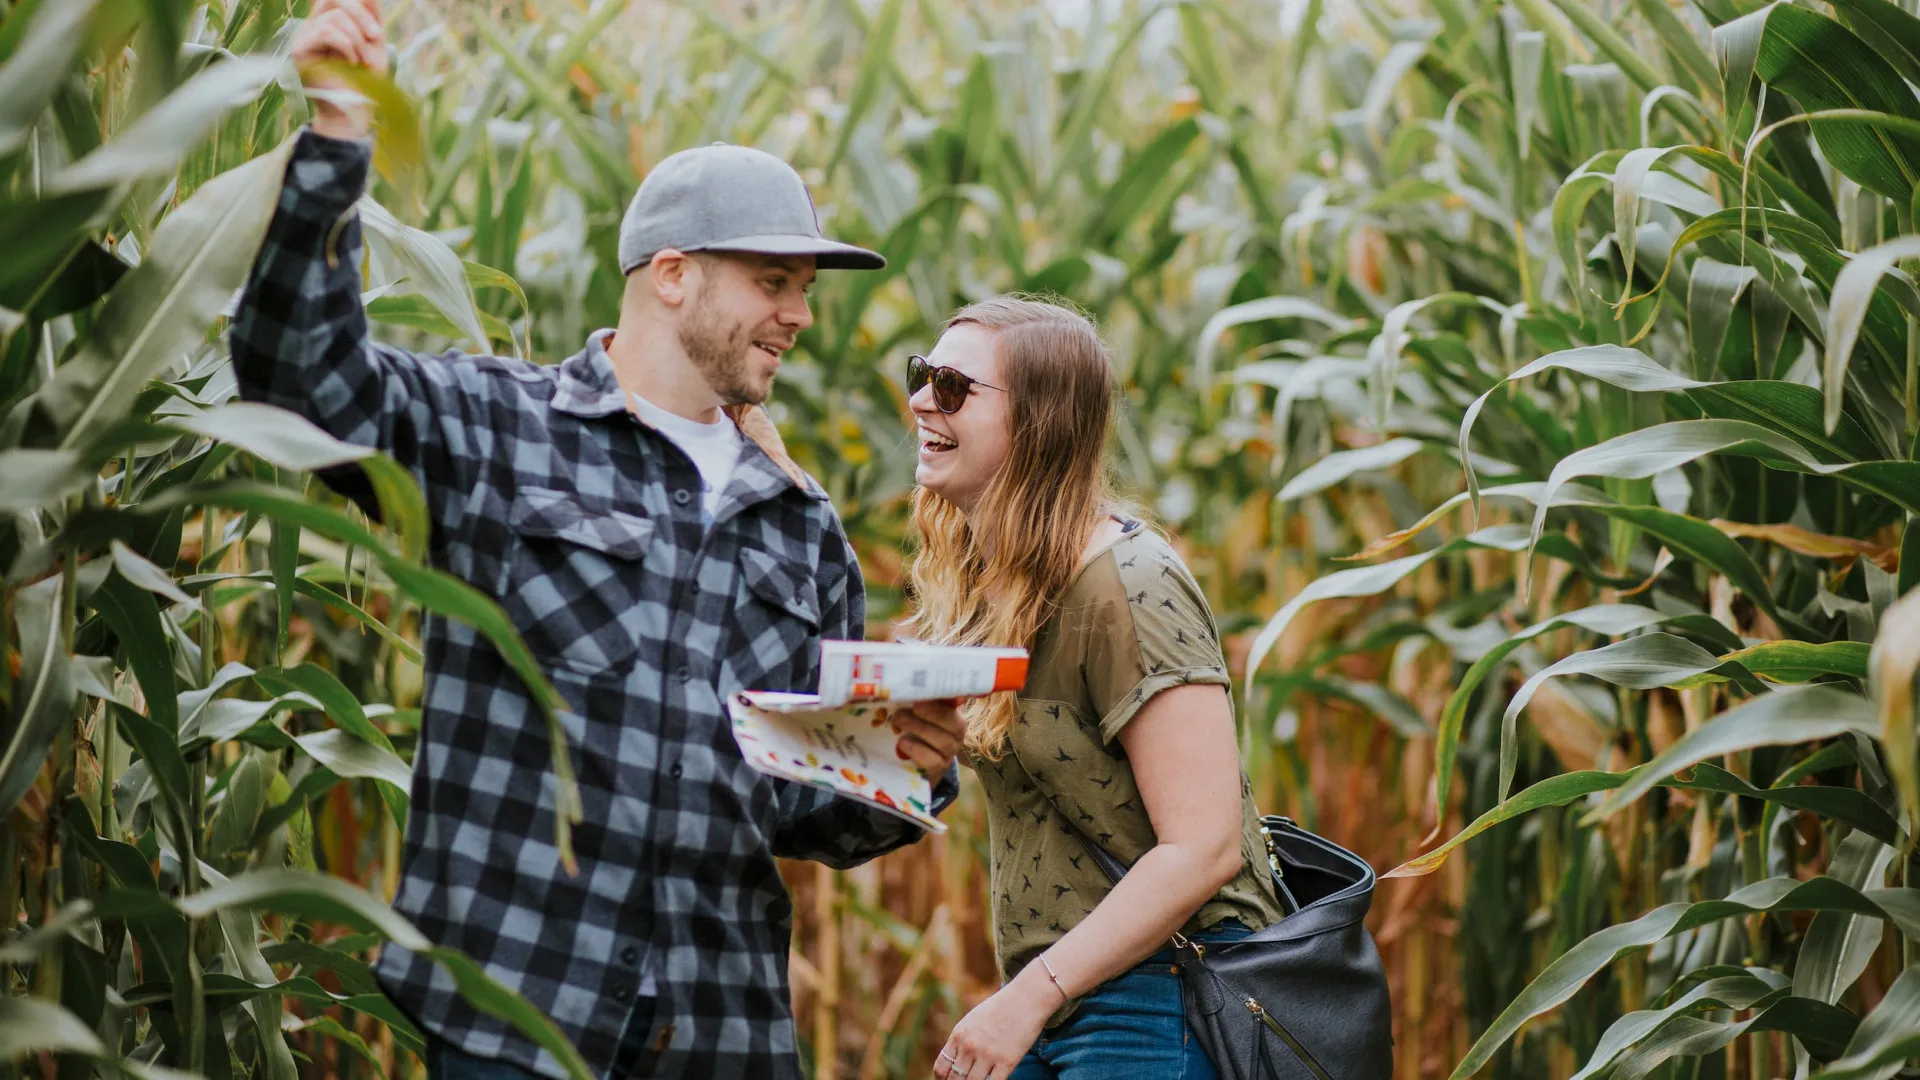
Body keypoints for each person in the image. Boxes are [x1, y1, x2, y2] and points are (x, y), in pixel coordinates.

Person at [233, 3, 968, 1078]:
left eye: (803, 292)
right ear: (672, 276)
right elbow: (300, 381)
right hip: (518, 1016)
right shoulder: (497, 428)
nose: (799, 317)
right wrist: (340, 140)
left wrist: (908, 771)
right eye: (774, 283)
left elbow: (801, 811)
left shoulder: (799, 524)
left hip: (720, 1035)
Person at [904, 297, 1289, 1080]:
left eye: (951, 387)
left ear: (1040, 423)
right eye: (921, 375)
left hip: (1161, 1000)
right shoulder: (999, 586)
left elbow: (1204, 845)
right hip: (1065, 994)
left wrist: (1027, 998)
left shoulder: (1129, 586)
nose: (918, 400)